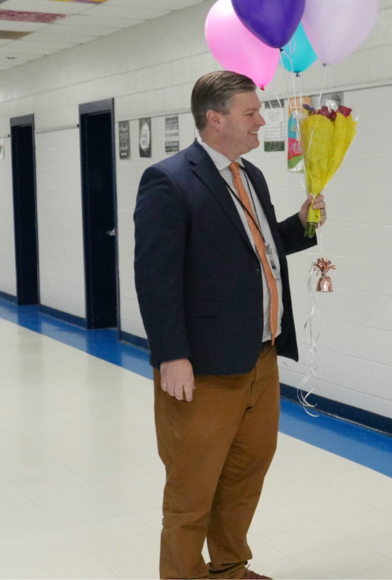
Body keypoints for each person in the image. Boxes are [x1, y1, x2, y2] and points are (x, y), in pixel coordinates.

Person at [134, 70, 326, 580]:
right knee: (191, 489)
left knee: (245, 475)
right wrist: (171, 354)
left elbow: (256, 249)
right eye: (251, 112)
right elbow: (155, 278)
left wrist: (302, 223)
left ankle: (229, 569)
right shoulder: (169, 181)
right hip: (204, 367)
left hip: (260, 358)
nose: (261, 120)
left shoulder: (251, 175)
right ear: (215, 118)